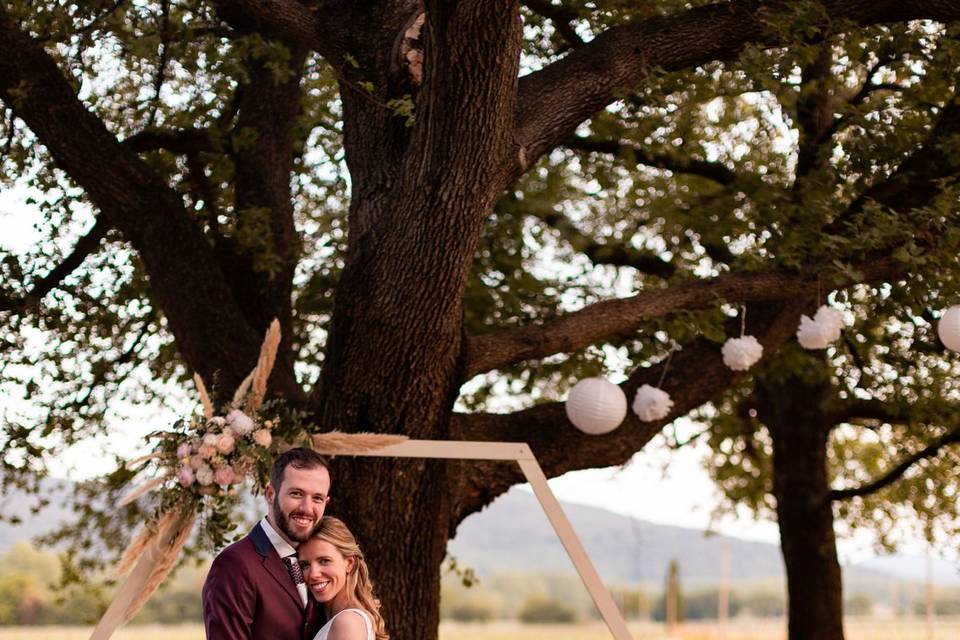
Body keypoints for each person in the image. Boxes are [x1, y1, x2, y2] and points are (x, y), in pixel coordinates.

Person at [202, 447, 331, 639]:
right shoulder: (234, 565)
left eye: (317, 498)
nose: (307, 508)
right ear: (270, 494)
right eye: (296, 494)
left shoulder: (324, 564)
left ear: (326, 503)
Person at [298, 517, 389, 640]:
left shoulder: (347, 623)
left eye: (324, 561)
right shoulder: (338, 620)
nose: (313, 574)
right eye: (305, 565)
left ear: (349, 563)